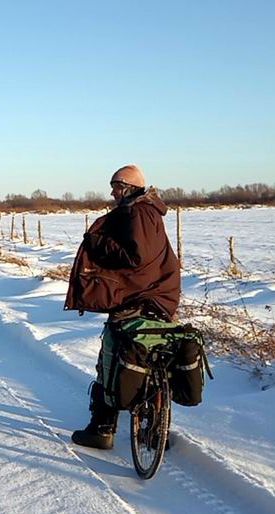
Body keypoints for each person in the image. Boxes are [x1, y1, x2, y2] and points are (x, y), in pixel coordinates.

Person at [64, 165, 180, 449]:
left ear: (130, 187)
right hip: (161, 296)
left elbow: (135, 258)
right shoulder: (148, 211)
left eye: (116, 186)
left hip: (139, 298)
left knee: (111, 359)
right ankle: (154, 430)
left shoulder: (138, 213)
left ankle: (102, 429)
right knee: (151, 358)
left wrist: (98, 243)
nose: (112, 192)